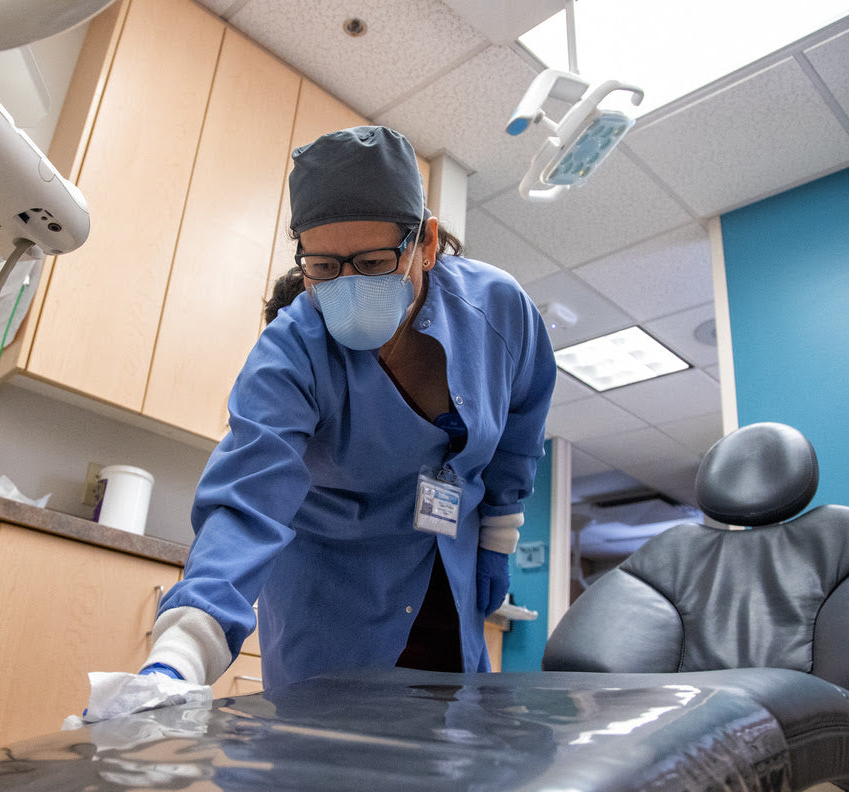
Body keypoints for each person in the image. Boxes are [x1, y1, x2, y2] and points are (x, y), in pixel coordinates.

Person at [139, 125, 556, 690]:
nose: (350, 285)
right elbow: (246, 500)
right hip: (329, 596)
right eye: (325, 267)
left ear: (426, 244)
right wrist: (181, 655)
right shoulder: (291, 353)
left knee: (448, 753)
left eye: (374, 261)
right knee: (323, 764)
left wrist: (498, 537)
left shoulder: (499, 312)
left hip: (447, 575)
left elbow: (519, 429)